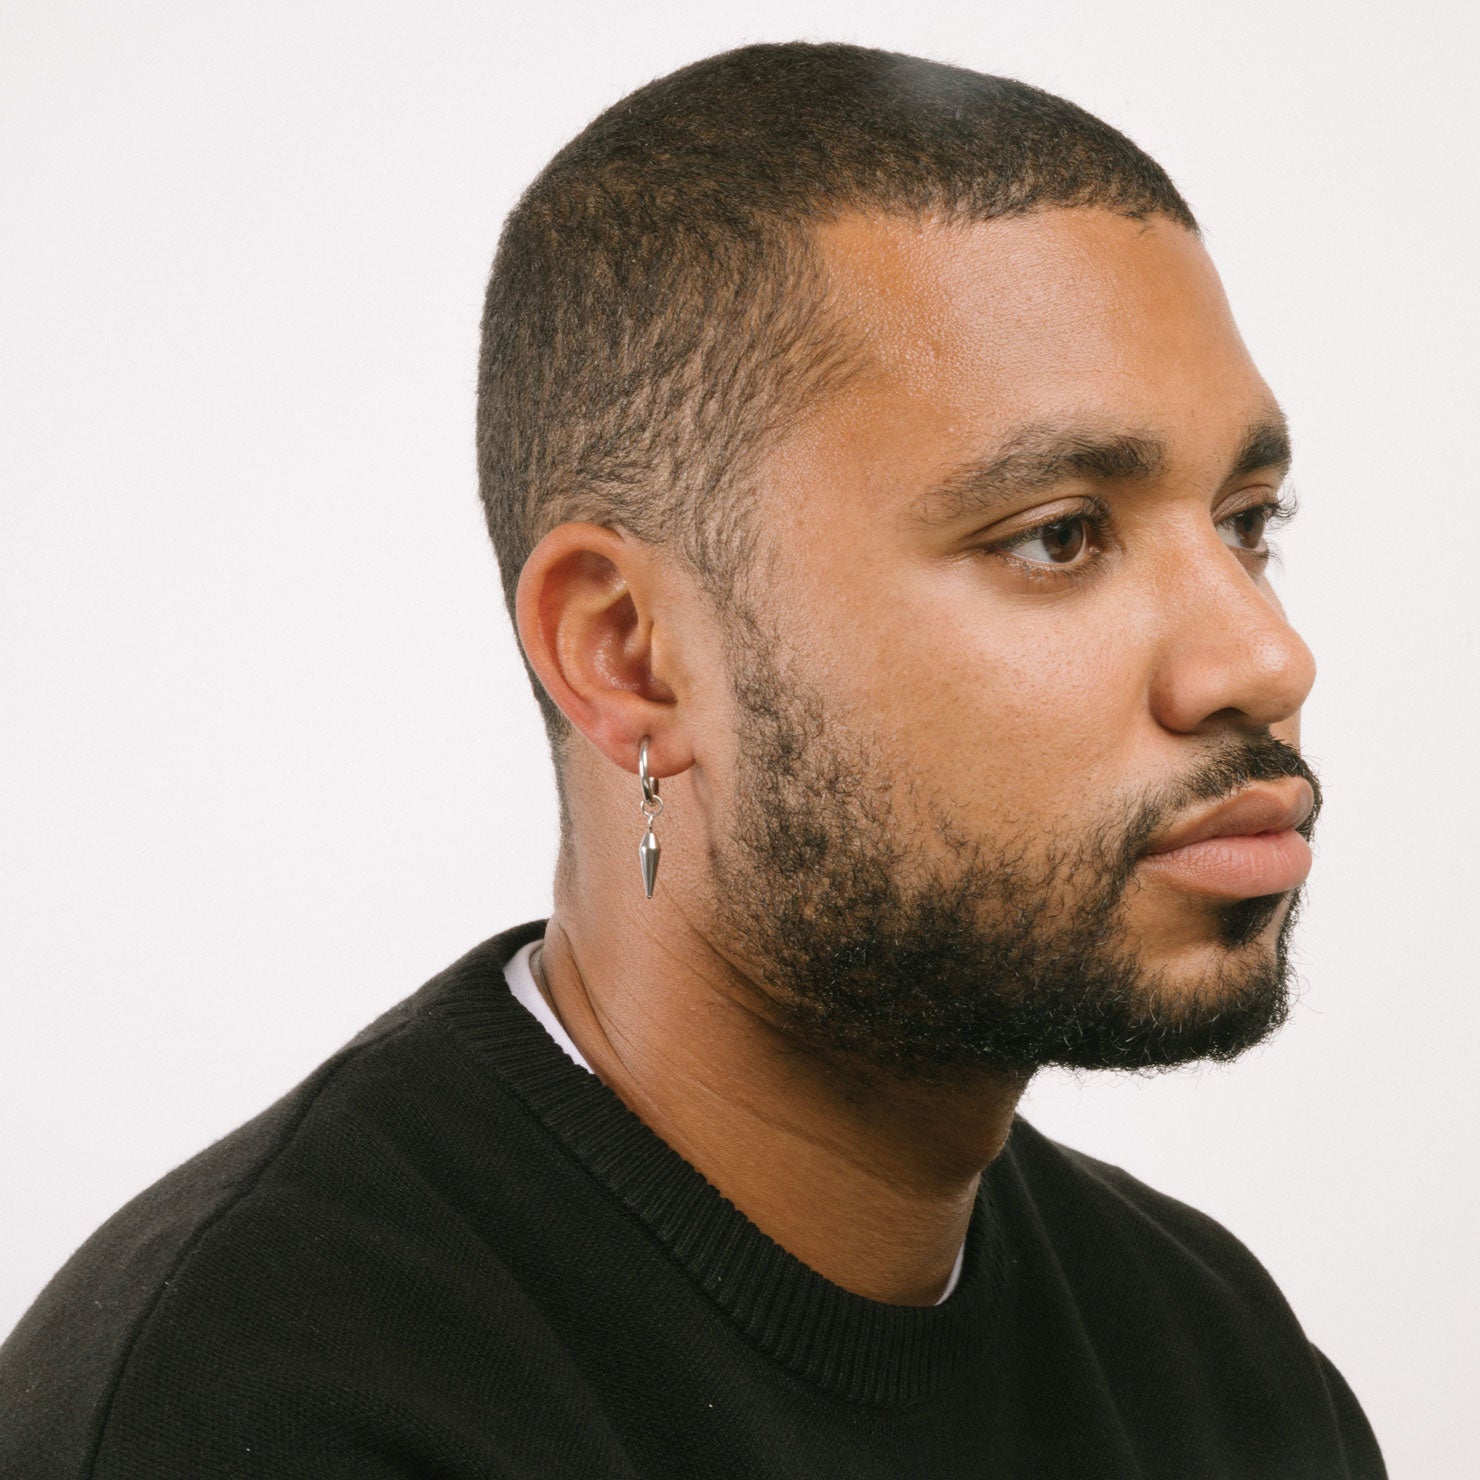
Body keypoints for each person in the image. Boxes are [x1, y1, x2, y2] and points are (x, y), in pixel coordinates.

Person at [0, 40, 1386, 1479]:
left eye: (1245, 520)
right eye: (1056, 535)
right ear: (631, 655)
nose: (1265, 659)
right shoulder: (260, 1406)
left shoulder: (1218, 1365)